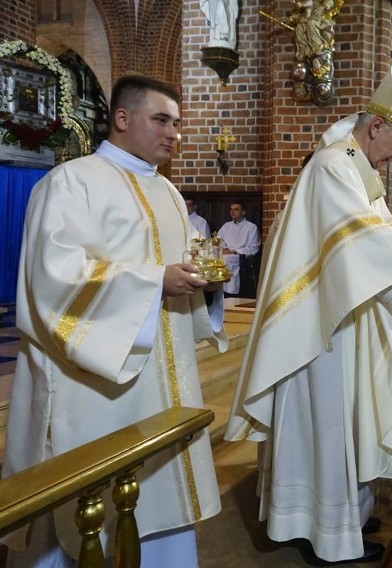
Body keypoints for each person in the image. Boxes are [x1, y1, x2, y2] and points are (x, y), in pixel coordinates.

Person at [223, 58, 392, 564]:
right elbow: (356, 239)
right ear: (377, 125)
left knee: (340, 421)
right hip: (321, 328)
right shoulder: (334, 165)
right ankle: (327, 533)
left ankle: (336, 515)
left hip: (340, 317)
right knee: (329, 423)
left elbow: (387, 233)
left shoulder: (354, 167)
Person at [2, 75, 226, 567]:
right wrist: (152, 282)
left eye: (178, 123)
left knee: (160, 493)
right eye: (161, 120)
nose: (174, 133)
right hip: (97, 380)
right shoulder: (71, 181)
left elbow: (179, 265)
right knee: (86, 500)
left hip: (161, 380)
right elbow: (53, 279)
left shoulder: (167, 191)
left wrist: (202, 279)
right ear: (122, 119)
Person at [218, 200, 260, 297]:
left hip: (240, 257)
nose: (233, 212)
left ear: (243, 212)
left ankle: (231, 290)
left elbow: (254, 248)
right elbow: (219, 241)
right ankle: (219, 291)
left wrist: (235, 251)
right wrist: (224, 249)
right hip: (226, 253)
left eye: (236, 209)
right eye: (231, 210)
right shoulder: (226, 226)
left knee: (226, 260)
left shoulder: (251, 227)